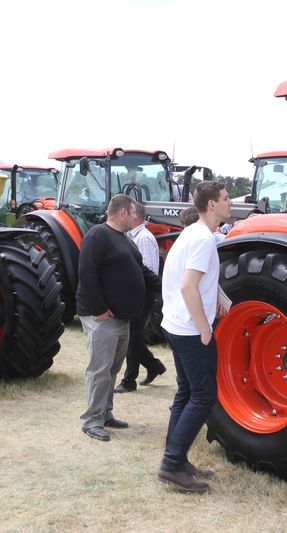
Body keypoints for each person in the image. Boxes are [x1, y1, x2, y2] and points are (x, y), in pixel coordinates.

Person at [156, 181, 232, 492]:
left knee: (186, 392)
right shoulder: (203, 239)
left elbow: (195, 281)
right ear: (211, 205)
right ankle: (172, 464)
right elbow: (188, 286)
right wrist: (204, 327)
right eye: (226, 199)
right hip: (190, 329)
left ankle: (177, 459)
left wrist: (221, 297)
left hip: (174, 323)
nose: (230, 203)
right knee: (203, 395)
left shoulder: (194, 233)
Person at [77, 194, 160, 441]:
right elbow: (87, 272)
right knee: (99, 370)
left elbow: (142, 272)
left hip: (122, 318)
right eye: (134, 212)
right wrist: (99, 308)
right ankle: (91, 421)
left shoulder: (125, 240)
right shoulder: (98, 235)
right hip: (102, 318)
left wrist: (167, 286)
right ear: (123, 212)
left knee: (112, 369)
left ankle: (105, 413)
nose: (137, 217)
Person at [115, 202, 167, 393]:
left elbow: (149, 270)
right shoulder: (132, 237)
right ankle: (154, 366)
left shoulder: (143, 239)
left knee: (132, 337)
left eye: (126, 213)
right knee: (133, 336)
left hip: (142, 294)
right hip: (135, 293)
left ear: (135, 216)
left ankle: (129, 380)